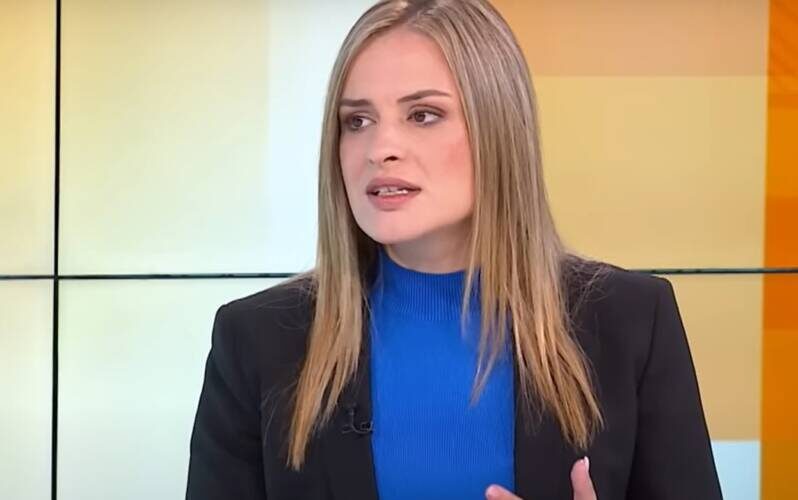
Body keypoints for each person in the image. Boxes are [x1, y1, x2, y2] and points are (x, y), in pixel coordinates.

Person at [185, 0, 723, 499]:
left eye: (422, 115)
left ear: (498, 128)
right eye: (357, 121)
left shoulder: (631, 321)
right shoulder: (255, 340)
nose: (380, 149)